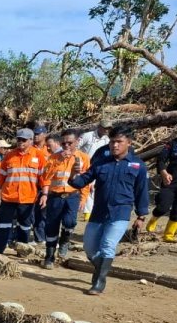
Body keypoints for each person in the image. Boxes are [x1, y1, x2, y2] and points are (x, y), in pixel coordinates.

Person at [68, 127, 149, 295]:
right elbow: (80, 182)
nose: (115, 145)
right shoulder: (101, 162)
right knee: (89, 248)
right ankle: (101, 268)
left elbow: (141, 191)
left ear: (129, 143)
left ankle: (99, 283)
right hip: (98, 212)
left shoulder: (137, 166)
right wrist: (73, 175)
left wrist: (141, 216)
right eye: (112, 142)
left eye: (119, 142)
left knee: (107, 245)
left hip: (120, 212)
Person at [40, 129, 92, 269]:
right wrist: (59, 160)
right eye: (64, 143)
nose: (67, 146)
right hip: (55, 196)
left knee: (70, 222)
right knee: (51, 226)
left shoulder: (83, 158)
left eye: (70, 143)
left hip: (72, 196)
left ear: (77, 142)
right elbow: (46, 177)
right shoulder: (54, 157)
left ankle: (65, 240)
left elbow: (86, 180)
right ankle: (49, 256)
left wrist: (83, 198)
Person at [0, 128, 45, 254]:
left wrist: (45, 194)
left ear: (31, 141)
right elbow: (0, 178)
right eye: (19, 139)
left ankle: (22, 251)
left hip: (28, 198)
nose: (20, 142)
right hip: (9, 197)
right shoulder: (10, 156)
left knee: (25, 226)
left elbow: (44, 178)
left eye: (24, 140)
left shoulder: (38, 156)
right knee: (3, 225)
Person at [79, 120, 113, 220]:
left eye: (108, 128)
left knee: (94, 188)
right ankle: (87, 213)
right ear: (99, 126)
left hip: (100, 165)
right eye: (105, 127)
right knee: (88, 187)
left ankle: (91, 211)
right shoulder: (87, 136)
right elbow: (76, 147)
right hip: (85, 165)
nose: (106, 130)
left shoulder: (108, 139)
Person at [150, 133, 177, 241]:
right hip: (170, 181)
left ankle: (169, 235)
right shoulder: (172, 144)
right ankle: (153, 220)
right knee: (163, 206)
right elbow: (161, 160)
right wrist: (164, 173)